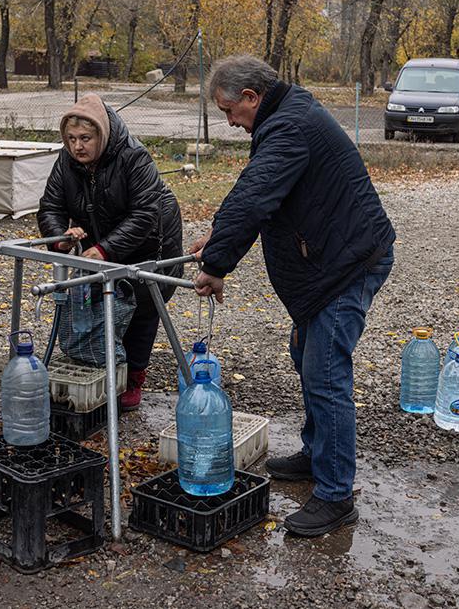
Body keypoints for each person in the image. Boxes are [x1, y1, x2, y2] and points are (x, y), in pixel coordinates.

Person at [189, 55, 396, 538]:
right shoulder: (287, 117)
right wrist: (219, 235)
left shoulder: (289, 127)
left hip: (346, 264)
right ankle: (316, 452)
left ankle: (336, 494)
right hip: (328, 261)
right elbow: (256, 189)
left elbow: (257, 195)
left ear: (251, 97)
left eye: (229, 111)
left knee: (325, 372)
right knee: (306, 354)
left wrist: (217, 264)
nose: (230, 122)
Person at [37, 94, 183, 411]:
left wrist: (104, 249)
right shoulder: (67, 161)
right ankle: (104, 366)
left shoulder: (133, 156)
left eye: (86, 139)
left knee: (142, 302)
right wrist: (60, 238)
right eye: (72, 139)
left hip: (152, 237)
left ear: (102, 135)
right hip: (102, 239)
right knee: (100, 301)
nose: (78, 146)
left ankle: (133, 378)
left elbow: (145, 214)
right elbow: (50, 206)